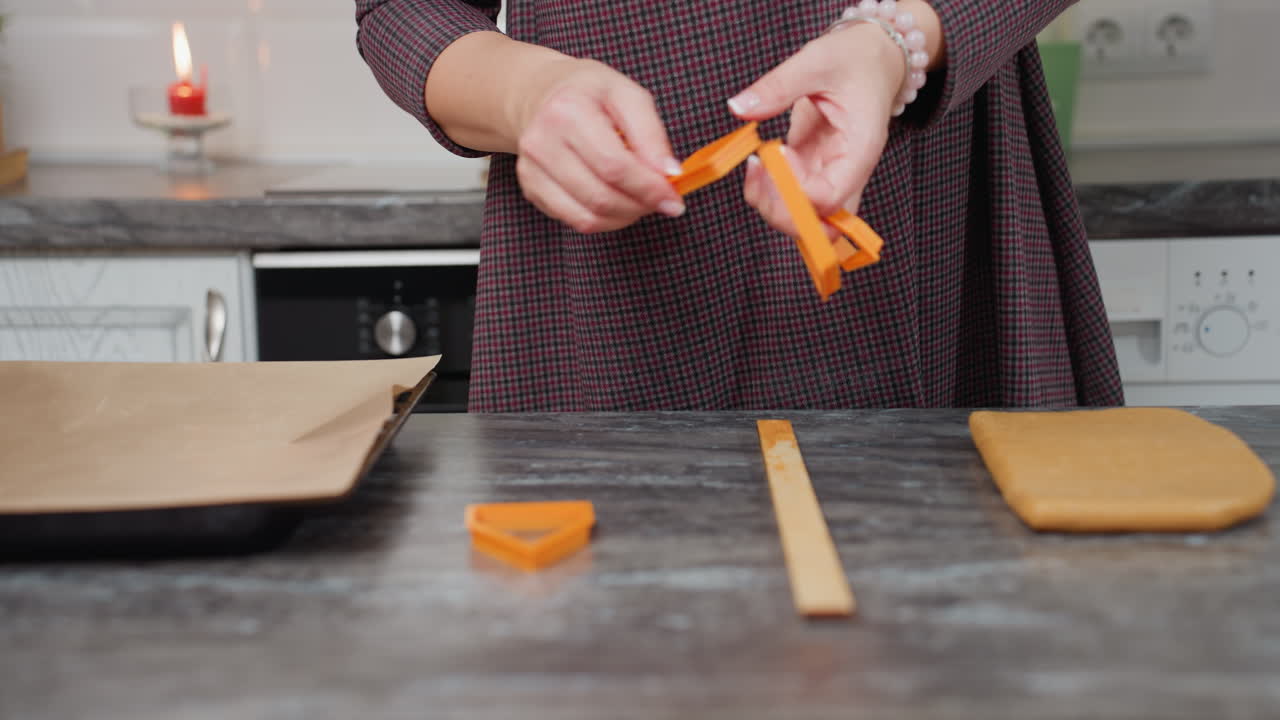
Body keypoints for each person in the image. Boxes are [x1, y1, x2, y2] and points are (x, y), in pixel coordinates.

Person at [354, 0, 1123, 412]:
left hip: (936, 215)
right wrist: (525, 95)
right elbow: (402, 9)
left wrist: (901, 38)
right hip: (601, 284)